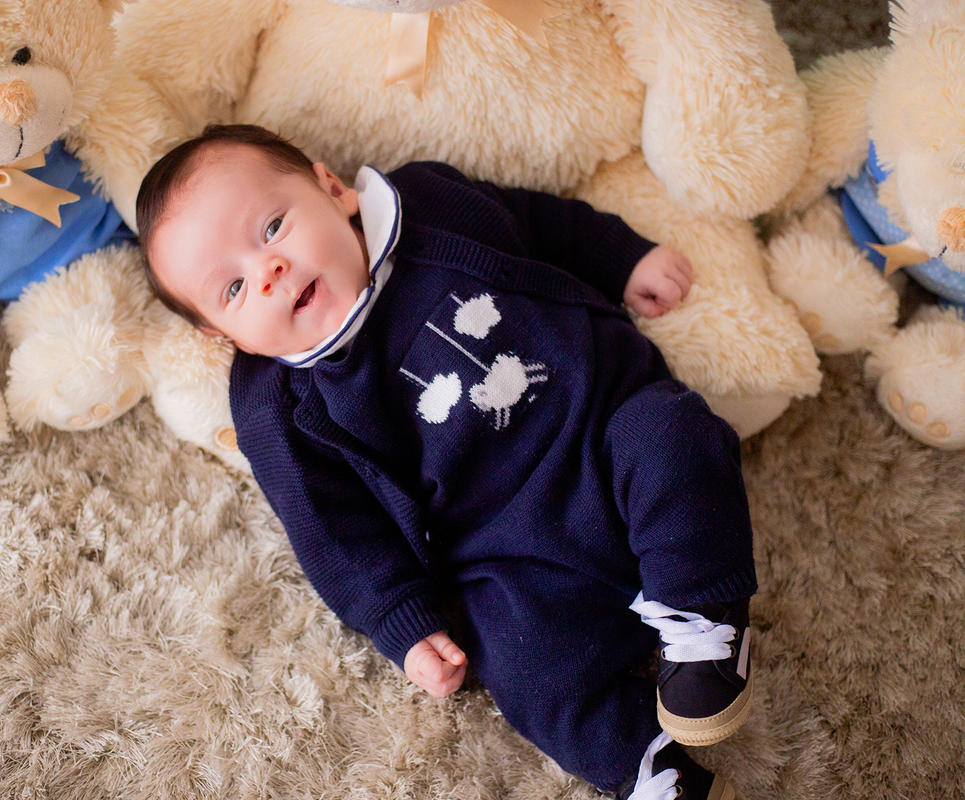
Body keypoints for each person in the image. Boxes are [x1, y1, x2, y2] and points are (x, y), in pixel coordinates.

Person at [136, 124, 755, 800]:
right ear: (219, 333)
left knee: (677, 435)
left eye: (273, 226)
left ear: (332, 189)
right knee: (522, 670)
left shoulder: (429, 206)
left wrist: (622, 257)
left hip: (605, 426)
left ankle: (703, 620)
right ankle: (645, 764)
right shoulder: (276, 407)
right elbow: (334, 535)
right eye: (232, 289)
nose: (269, 271)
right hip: (506, 554)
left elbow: (538, 222)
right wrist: (403, 625)